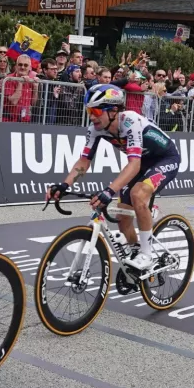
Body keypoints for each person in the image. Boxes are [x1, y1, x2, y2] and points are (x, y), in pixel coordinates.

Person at [47, 84, 180, 272]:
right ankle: (135, 260)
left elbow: (133, 164)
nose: (91, 117)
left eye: (95, 111)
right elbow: (84, 161)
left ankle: (147, 254)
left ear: (113, 111)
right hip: (142, 162)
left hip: (165, 158)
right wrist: (64, 185)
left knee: (138, 194)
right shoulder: (95, 129)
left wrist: (109, 191)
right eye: (89, 111)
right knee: (122, 218)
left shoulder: (130, 121)